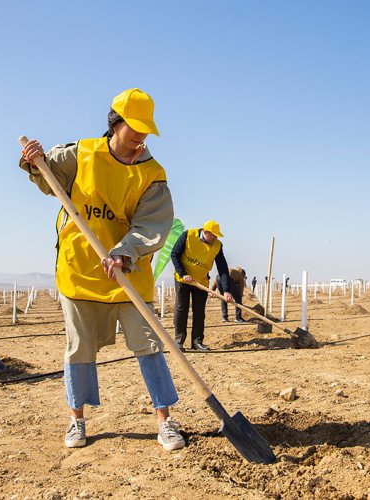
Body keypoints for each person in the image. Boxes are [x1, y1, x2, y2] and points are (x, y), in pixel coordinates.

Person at [19, 88, 185, 452]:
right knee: (78, 348)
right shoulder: (81, 154)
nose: (140, 137)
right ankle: (77, 421)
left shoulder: (152, 173)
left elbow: (151, 224)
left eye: (145, 130)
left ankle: (166, 421)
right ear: (116, 123)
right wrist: (34, 160)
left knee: (149, 344)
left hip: (127, 273)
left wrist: (124, 253)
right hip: (80, 270)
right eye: (134, 128)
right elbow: (47, 174)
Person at [171, 220, 232, 351]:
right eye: (213, 235)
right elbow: (174, 254)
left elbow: (222, 268)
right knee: (182, 310)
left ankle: (197, 342)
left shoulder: (217, 245)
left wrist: (226, 290)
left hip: (201, 282)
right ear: (205, 232)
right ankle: (179, 341)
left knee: (199, 312)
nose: (215, 238)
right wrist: (183, 274)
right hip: (183, 280)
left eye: (217, 236)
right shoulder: (188, 235)